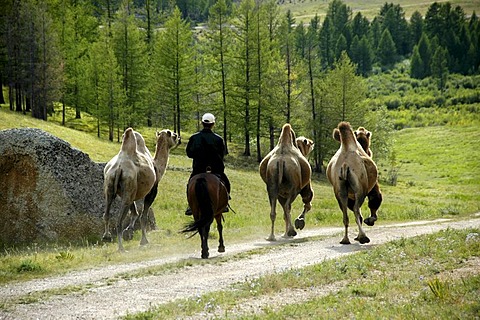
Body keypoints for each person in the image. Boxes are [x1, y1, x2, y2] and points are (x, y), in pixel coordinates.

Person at [185, 113, 231, 215]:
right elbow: (222, 154)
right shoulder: (218, 139)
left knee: (189, 185)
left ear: (202, 123)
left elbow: (189, 154)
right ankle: (225, 204)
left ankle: (190, 205)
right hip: (216, 170)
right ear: (213, 124)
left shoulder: (194, 138)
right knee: (226, 183)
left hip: (198, 169)